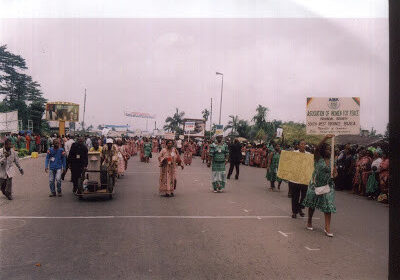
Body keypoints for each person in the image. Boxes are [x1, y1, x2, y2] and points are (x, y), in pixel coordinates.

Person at [302, 134, 337, 237]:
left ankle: (327, 228)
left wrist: (335, 174)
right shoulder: (317, 158)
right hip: (315, 184)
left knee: (328, 206)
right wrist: (326, 138)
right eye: (327, 149)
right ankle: (309, 221)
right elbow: (317, 148)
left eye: (330, 149)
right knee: (312, 204)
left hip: (328, 186)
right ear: (323, 150)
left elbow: (335, 174)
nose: (329, 151)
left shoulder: (332, 161)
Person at [289, 140, 309, 218]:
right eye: (301, 144)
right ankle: (294, 212)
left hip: (304, 179)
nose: (303, 145)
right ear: (298, 145)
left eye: (304, 144)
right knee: (295, 196)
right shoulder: (294, 153)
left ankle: (300, 208)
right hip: (295, 179)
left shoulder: (308, 155)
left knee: (304, 196)